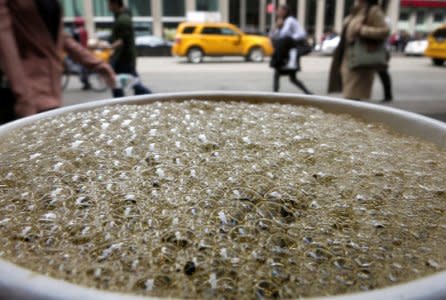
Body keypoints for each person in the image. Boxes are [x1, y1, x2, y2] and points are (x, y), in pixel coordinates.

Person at [0, 0, 115, 125]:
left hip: (50, 88)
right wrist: (22, 95)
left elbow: (61, 36)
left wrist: (97, 64)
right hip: (23, 93)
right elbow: (4, 40)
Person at [328, 0, 389, 100]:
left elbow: (385, 31)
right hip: (348, 59)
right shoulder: (356, 11)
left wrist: (363, 30)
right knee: (349, 96)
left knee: (353, 97)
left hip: (360, 59)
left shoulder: (373, 10)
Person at [107, 0, 151, 98]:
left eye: (109, 4)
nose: (108, 7)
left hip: (123, 58)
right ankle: (119, 102)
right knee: (121, 84)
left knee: (134, 85)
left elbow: (121, 41)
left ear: (115, 4)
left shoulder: (123, 19)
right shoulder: (120, 17)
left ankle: (152, 98)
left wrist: (107, 47)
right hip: (123, 57)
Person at [269, 6, 311, 94]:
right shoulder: (281, 22)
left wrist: (290, 40)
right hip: (283, 53)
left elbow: (301, 34)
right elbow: (272, 36)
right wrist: (277, 27)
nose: (278, 13)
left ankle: (275, 95)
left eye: (280, 11)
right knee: (284, 76)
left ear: (285, 11)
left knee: (290, 77)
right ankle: (308, 93)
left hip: (289, 53)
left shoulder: (290, 20)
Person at [72, 16, 91, 90]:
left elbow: (74, 42)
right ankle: (86, 82)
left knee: (81, 68)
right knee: (84, 68)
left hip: (79, 51)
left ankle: (85, 83)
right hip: (85, 50)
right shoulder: (84, 31)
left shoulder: (75, 31)